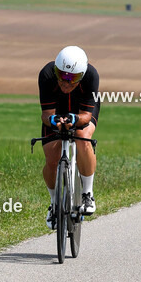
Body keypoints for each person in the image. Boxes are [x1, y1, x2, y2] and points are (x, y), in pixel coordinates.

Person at [38, 45, 99, 229]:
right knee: (51, 158)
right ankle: (54, 203)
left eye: (72, 79)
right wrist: (54, 120)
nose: (65, 83)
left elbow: (86, 116)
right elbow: (46, 114)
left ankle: (87, 194)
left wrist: (75, 119)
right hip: (56, 109)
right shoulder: (47, 74)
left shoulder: (91, 76)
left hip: (81, 110)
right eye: (62, 75)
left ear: (81, 75)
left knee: (82, 138)